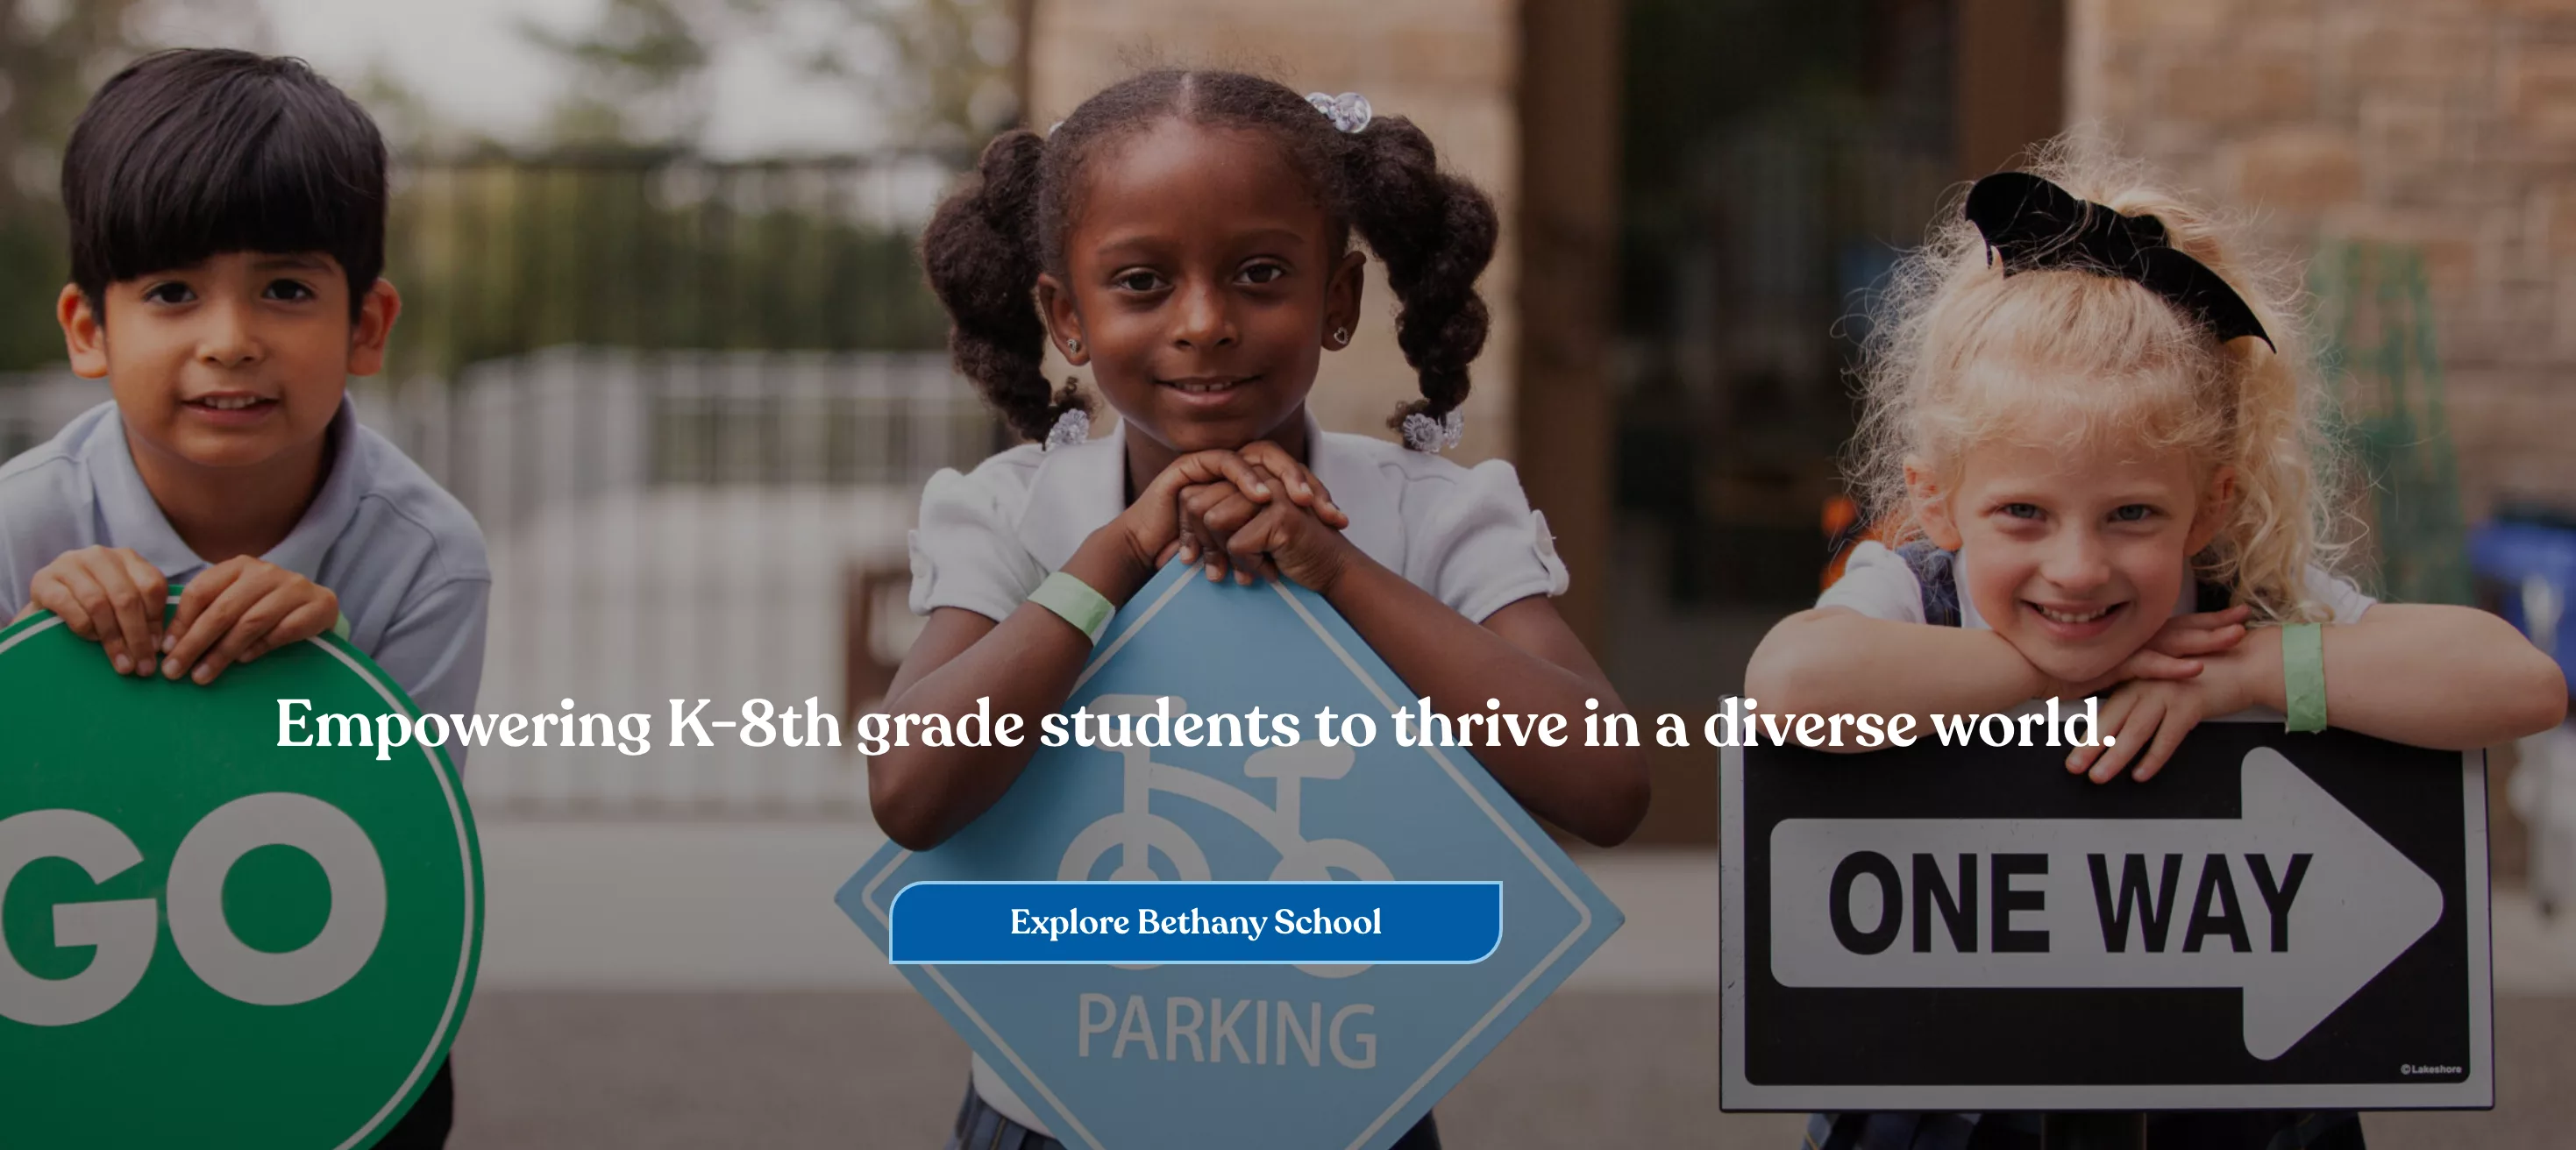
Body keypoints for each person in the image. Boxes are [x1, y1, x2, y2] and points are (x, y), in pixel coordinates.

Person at [878, 68, 1653, 1149]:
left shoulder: (1429, 513)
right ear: (1065, 315)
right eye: (1142, 282)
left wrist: (1339, 571)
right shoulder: (1015, 513)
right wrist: (1121, 552)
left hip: (1345, 1106)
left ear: (1338, 301)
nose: (1205, 323)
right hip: (1055, 1112)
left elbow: (1606, 781)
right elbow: (909, 788)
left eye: (1258, 275)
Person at [1745, 141, 2567, 1149]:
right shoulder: (1912, 588)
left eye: (2131, 512)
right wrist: (2056, 668)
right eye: (2023, 513)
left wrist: (2251, 670)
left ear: (2209, 504)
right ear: (1936, 501)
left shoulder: (2237, 609)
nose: (2079, 568)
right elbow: (1791, 686)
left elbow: (2520, 683)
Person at [0, 48, 488, 1146]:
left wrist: (331, 674)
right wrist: (37, 663)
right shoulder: (18, 528)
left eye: (285, 288)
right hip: (58, 1014)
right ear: (89, 330)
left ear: (366, 326)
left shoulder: (427, 556)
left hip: (312, 1012)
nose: (231, 337)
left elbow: (402, 859)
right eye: (172, 291)